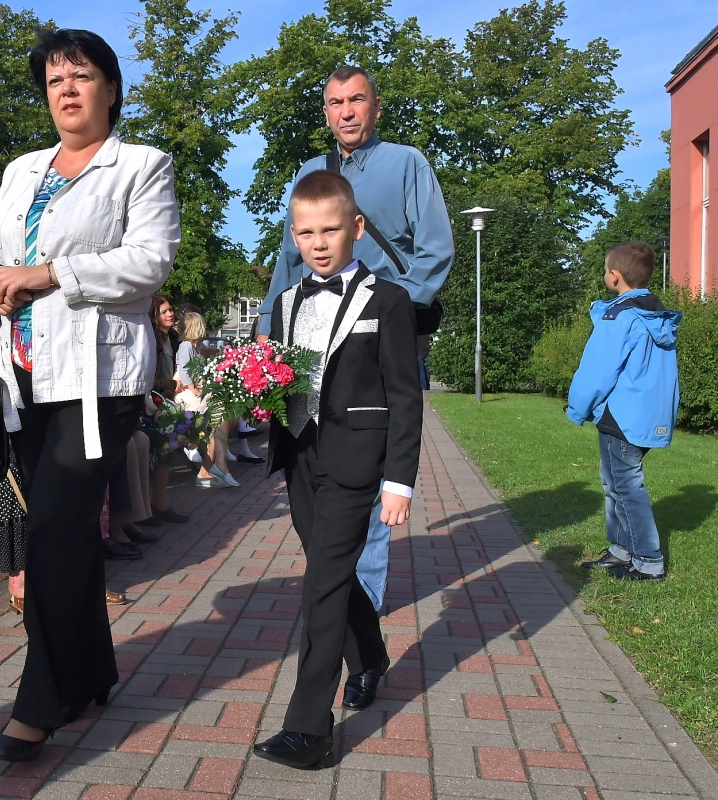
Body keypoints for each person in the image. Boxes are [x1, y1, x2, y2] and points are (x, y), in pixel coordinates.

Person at [0, 28, 179, 762]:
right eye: (54, 79)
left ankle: (40, 701)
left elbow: (150, 261)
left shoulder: (143, 166)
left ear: (110, 89)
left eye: (81, 75)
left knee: (53, 534)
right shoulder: (21, 170)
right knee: (64, 533)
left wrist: (50, 273)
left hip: (98, 382)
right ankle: (92, 672)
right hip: (24, 377)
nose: (66, 89)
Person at [256, 66, 453, 704]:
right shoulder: (310, 174)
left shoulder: (407, 164)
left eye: (357, 99)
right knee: (320, 530)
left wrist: (388, 310)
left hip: (377, 343)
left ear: (376, 105)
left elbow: (436, 250)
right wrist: (265, 337)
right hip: (311, 348)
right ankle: (367, 647)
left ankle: (352, 653)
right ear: (325, 111)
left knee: (359, 506)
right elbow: (287, 263)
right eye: (335, 102)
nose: (346, 111)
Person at [253, 171, 421, 769]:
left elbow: (406, 398)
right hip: (301, 456)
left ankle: (309, 730)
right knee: (333, 570)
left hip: (357, 460)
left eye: (330, 230)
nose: (318, 243)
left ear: (356, 228)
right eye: (306, 233)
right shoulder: (285, 303)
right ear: (293, 235)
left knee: (321, 584)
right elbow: (276, 377)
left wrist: (398, 481)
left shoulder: (389, 301)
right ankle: (370, 655)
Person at [569, 242, 680, 582]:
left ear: (614, 276)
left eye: (606, 270)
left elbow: (597, 371)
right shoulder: (656, 315)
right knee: (617, 483)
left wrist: (577, 407)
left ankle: (647, 560)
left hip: (622, 415)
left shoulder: (618, 317)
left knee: (626, 486)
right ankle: (622, 550)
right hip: (648, 415)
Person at [176, 311, 236, 489]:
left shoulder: (196, 347)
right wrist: (195, 390)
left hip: (194, 389)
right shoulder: (186, 346)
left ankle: (213, 465)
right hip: (187, 393)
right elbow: (184, 373)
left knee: (223, 414)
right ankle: (215, 463)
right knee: (220, 413)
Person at [148, 296, 190, 522]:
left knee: (175, 436)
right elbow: (147, 379)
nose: (170, 314)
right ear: (154, 316)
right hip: (150, 402)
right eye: (163, 311)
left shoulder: (171, 337)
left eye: (171, 310)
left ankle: (159, 501)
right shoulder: (151, 339)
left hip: (166, 399)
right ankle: (156, 503)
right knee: (169, 438)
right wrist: (170, 384)